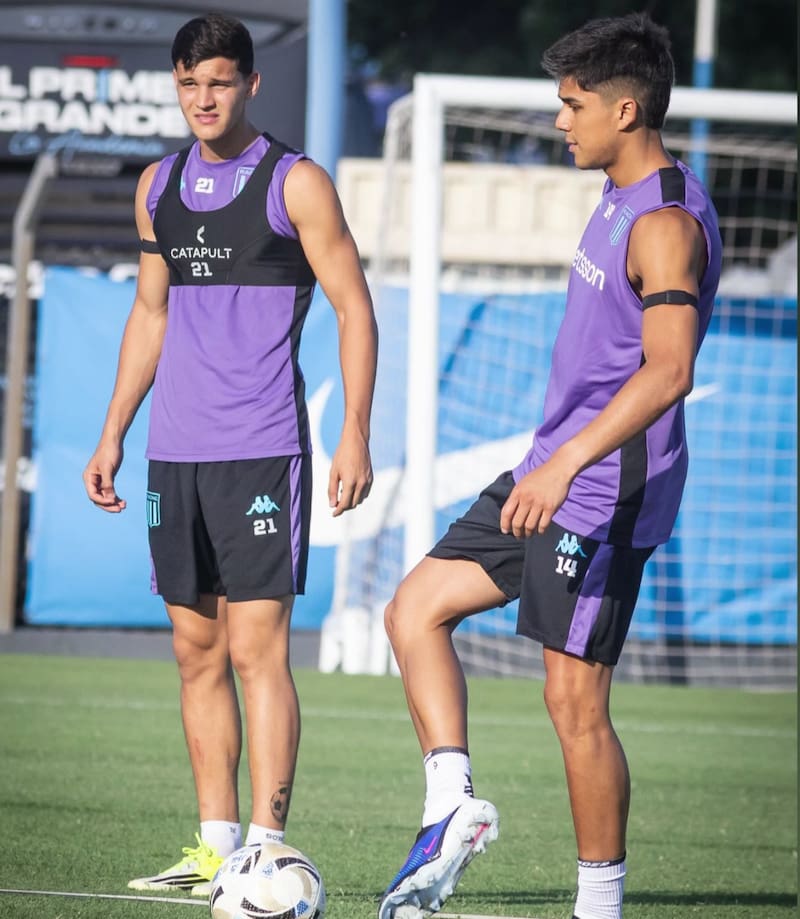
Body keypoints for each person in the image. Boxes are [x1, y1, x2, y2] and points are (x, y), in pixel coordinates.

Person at [377, 13, 722, 919]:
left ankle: (597, 905)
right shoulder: (613, 192)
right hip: (549, 471)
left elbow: (671, 370)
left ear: (626, 108)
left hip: (603, 489)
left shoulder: (666, 222)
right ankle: (451, 807)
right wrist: (551, 463)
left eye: (573, 105)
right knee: (414, 609)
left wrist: (566, 464)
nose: (560, 121)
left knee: (574, 703)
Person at [82, 12, 377, 896]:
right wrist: (114, 429)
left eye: (218, 82)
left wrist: (355, 430)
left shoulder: (296, 183)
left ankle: (267, 845)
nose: (202, 99)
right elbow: (151, 312)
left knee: (257, 650)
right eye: (188, 84)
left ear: (251, 83)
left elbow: (355, 308)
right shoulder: (158, 185)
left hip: (261, 449)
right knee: (194, 649)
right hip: (175, 452)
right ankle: (214, 848)